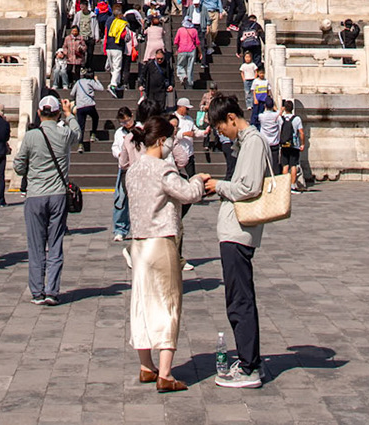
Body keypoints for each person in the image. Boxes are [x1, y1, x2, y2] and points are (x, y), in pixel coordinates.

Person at [126, 113, 207, 393]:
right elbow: (188, 194)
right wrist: (198, 179)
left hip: (137, 244)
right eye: (169, 140)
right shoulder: (162, 170)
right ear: (161, 140)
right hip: (160, 240)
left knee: (141, 304)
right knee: (168, 304)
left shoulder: (132, 170)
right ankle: (165, 373)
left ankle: (146, 366)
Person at [201, 93, 269, 389]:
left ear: (232, 118)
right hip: (236, 231)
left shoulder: (253, 142)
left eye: (221, 128)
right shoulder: (247, 143)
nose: (221, 134)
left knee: (239, 300)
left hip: (238, 232)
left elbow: (249, 187)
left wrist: (219, 186)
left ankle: (249, 366)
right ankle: (249, 358)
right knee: (239, 297)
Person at [13, 94, 80, 305]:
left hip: (35, 194)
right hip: (58, 194)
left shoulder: (32, 136)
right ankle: (52, 290)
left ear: (40, 113)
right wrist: (70, 115)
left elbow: (18, 165)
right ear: (58, 113)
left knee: (36, 245)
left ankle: (37, 291)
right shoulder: (64, 133)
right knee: (55, 243)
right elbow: (77, 134)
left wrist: (29, 170)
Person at [110, 107, 137, 240]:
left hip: (138, 167)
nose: (126, 124)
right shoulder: (119, 133)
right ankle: (120, 228)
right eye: (123, 122)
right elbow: (115, 147)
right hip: (124, 168)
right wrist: (119, 154)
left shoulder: (140, 129)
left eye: (128, 120)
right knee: (120, 198)